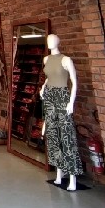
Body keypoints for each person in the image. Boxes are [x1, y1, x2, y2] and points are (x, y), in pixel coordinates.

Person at [39, 33, 83, 190]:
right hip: (50, 96)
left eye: (52, 40)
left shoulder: (66, 60)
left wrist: (71, 102)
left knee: (66, 135)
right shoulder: (46, 59)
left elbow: (74, 81)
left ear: (58, 42)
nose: (50, 42)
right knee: (53, 135)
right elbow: (48, 77)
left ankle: (72, 177)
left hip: (63, 95)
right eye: (48, 40)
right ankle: (59, 174)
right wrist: (43, 87)